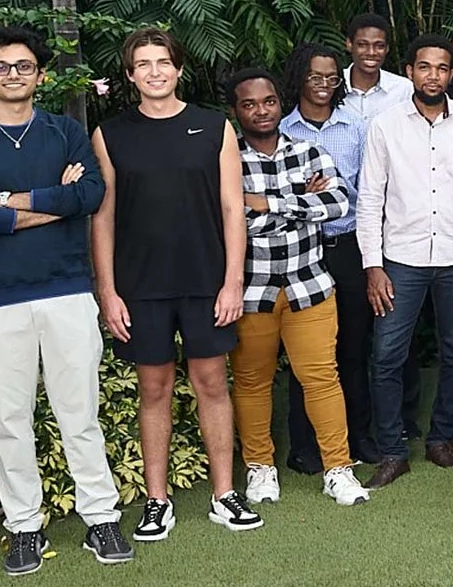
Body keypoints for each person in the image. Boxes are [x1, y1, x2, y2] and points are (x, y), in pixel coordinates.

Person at [0, 24, 130, 576]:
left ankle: (101, 517)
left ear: (40, 75)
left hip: (68, 290)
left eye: (23, 66)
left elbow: (90, 194)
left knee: (80, 413)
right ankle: (24, 527)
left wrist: (5, 203)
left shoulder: (66, 131)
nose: (13, 74)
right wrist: (53, 201)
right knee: (10, 417)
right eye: (1, 67)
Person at [91, 28, 259, 540]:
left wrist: (232, 282)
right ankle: (156, 501)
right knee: (154, 389)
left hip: (206, 281)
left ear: (179, 68)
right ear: (129, 75)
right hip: (141, 285)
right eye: (143, 64)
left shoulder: (214, 127)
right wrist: (108, 291)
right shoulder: (110, 134)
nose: (154, 71)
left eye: (162, 61)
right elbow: (103, 217)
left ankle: (225, 495)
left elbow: (234, 210)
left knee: (212, 383)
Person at [224, 67, 370, 510]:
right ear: (235, 111)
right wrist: (300, 206)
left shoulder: (309, 151)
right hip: (252, 292)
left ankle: (338, 470)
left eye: (267, 101)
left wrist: (265, 203)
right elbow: (226, 218)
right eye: (249, 104)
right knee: (252, 383)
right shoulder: (226, 159)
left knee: (322, 379)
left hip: (310, 286)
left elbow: (339, 203)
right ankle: (260, 468)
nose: (260, 110)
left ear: (279, 102)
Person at [357, 35, 453, 486]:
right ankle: (393, 449)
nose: (433, 75)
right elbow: (369, 199)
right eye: (424, 67)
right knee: (387, 354)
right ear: (410, 71)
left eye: (441, 68)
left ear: (451, 75)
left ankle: (441, 439)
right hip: (400, 258)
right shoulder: (385, 125)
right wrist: (372, 265)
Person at [281, 44, 381, 470]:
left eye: (330, 78)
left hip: (347, 248)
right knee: (306, 354)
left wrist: (334, 190)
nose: (323, 85)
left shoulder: (356, 126)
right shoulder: (283, 129)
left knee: (353, 349)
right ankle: (305, 447)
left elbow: (370, 189)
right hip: (300, 253)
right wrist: (302, 196)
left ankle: (359, 439)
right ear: (299, 79)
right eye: (314, 77)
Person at [340, 12, 406, 125]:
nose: (371, 52)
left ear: (387, 48)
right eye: (362, 45)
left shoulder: (403, 90)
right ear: (349, 44)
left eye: (379, 46)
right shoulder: (333, 84)